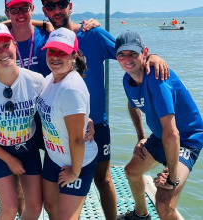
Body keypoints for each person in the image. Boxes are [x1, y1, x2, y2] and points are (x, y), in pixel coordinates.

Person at [40, 0, 170, 219]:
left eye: (61, 4)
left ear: (70, 6)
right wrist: (40, 23)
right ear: (44, 10)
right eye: (50, 6)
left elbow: (130, 56)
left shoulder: (93, 34)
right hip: (60, 129)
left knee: (103, 178)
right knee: (60, 183)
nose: (56, 10)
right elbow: (15, 25)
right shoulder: (49, 39)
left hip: (96, 123)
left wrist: (153, 56)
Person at [115, 30, 203, 220]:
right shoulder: (127, 79)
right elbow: (133, 105)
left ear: (145, 53)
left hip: (187, 138)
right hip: (160, 136)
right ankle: (141, 215)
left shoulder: (157, 80)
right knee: (131, 171)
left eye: (133, 53)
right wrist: (141, 137)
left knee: (163, 201)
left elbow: (173, 134)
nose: (127, 59)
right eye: (122, 54)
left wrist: (172, 176)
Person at [0, 22, 45, 220]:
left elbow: (60, 104)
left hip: (28, 149)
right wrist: (9, 159)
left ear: (14, 46)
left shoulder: (36, 81)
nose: (3, 52)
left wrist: (86, 119)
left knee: (36, 207)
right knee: (10, 208)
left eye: (6, 45)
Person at [38, 27, 98, 220]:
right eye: (51, 51)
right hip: (54, 157)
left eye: (61, 52)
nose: (55, 56)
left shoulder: (70, 87)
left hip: (77, 162)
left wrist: (75, 172)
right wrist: (86, 117)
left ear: (73, 55)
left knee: (66, 217)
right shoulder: (49, 79)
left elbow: (78, 140)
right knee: (50, 206)